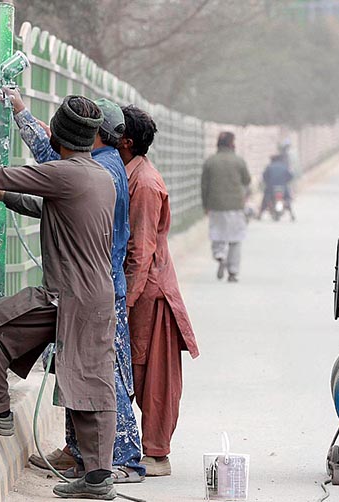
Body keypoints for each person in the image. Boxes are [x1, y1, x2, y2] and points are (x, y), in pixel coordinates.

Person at [0, 95, 119, 500]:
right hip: (95, 298)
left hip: (66, 296)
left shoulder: (64, 173)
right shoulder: (98, 176)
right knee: (91, 381)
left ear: (60, 133)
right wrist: (6, 198)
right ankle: (98, 477)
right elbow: (47, 207)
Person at [5, 89, 146, 483]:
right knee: (79, 371)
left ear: (95, 136)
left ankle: (123, 460)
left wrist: (21, 114)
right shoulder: (108, 163)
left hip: (97, 289)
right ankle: (80, 454)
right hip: (99, 285)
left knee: (104, 376)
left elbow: (52, 162)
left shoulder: (99, 169)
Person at [118, 105, 200, 476]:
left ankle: (155, 454)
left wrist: (125, 301)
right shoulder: (126, 173)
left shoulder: (146, 184)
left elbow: (141, 249)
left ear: (126, 141)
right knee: (123, 368)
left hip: (149, 293)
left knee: (154, 376)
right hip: (137, 290)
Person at [201, 132, 252, 282]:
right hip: (236, 205)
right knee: (235, 239)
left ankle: (219, 255)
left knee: (217, 233)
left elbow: (204, 186)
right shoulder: (239, 161)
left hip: (215, 205)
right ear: (232, 144)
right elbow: (247, 180)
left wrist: (205, 205)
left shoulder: (210, 162)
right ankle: (233, 272)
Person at [258, 153, 295, 221]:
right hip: (283, 188)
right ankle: (291, 214)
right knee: (287, 198)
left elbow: (264, 177)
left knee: (266, 199)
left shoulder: (269, 167)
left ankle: (260, 214)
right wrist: (285, 182)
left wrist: (267, 183)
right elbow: (290, 176)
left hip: (271, 188)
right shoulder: (284, 166)